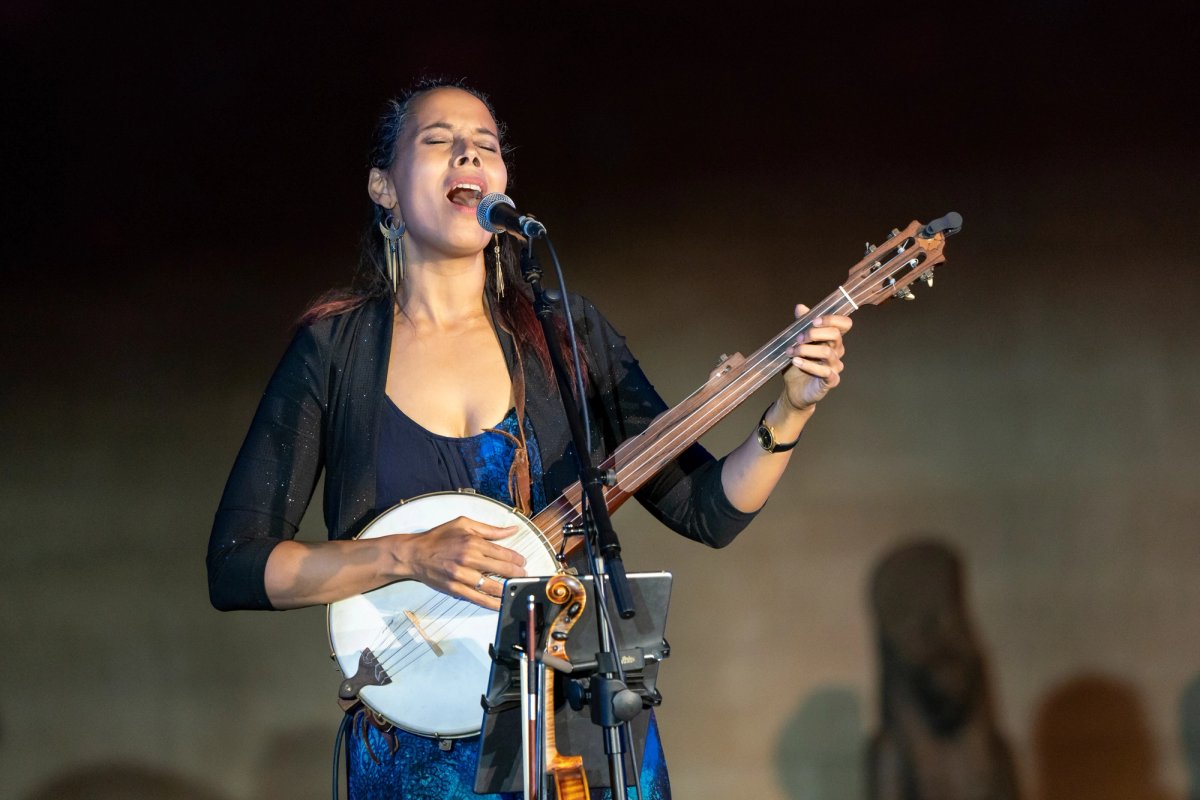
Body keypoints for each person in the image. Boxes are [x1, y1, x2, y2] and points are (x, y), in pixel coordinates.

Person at [206, 79, 852, 799]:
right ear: (383, 188)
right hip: (414, 756)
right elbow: (236, 567)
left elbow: (708, 509)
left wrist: (791, 409)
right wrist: (407, 555)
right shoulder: (335, 351)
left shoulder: (563, 334)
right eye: (439, 141)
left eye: (485, 145)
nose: (468, 156)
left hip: (579, 729)